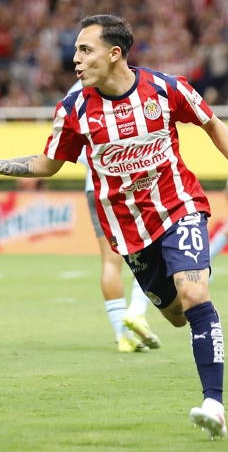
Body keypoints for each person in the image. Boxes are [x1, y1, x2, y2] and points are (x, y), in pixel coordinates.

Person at [0, 15, 228, 439]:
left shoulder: (166, 89)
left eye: (86, 51)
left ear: (114, 53)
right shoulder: (75, 109)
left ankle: (214, 404)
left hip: (180, 207)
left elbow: (211, 122)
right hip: (129, 231)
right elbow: (47, 164)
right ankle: (192, 333)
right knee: (176, 317)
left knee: (195, 293)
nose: (76, 60)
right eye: (77, 52)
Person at [77, 133, 158, 353]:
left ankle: (123, 336)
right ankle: (136, 311)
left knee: (110, 262)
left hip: (95, 188)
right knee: (152, 253)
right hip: (132, 186)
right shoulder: (128, 101)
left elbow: (72, 151)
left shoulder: (76, 103)